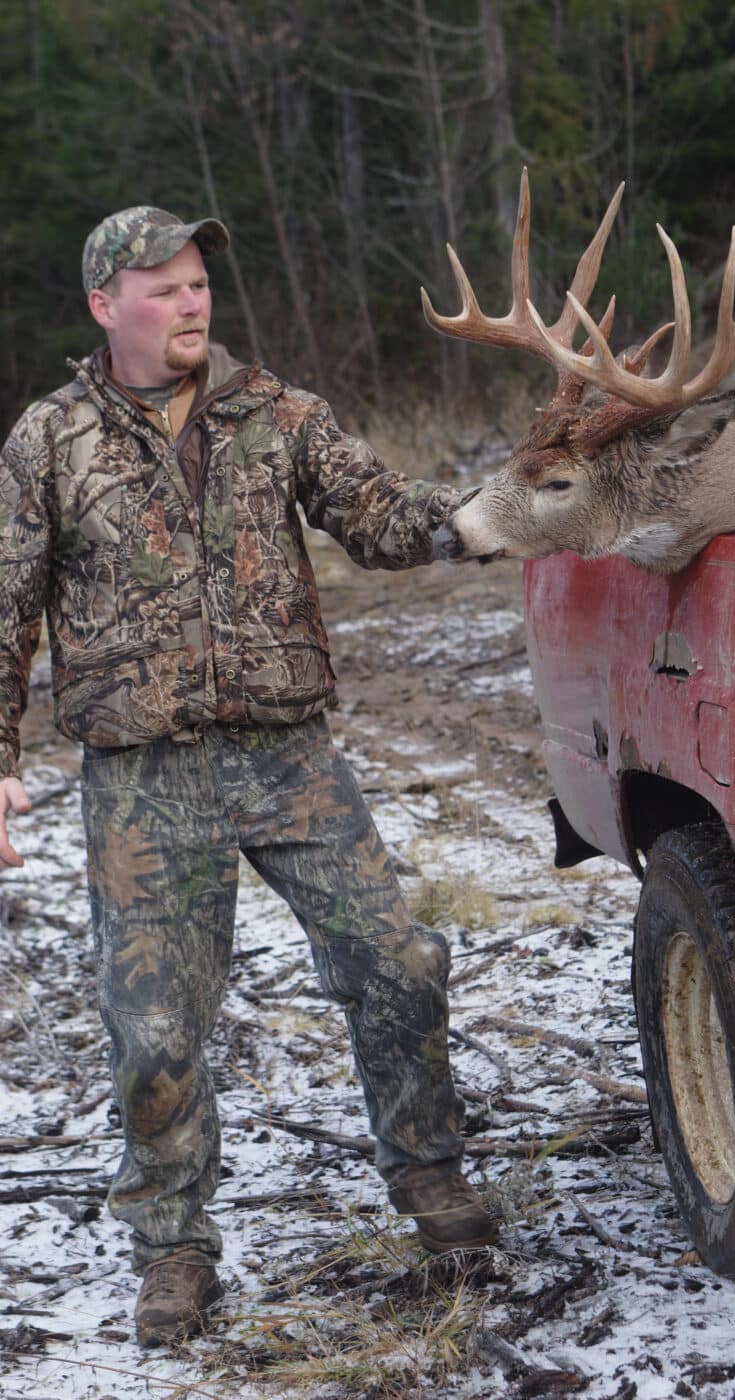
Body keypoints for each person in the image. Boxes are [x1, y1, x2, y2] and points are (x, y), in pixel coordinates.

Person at [0, 207, 498, 1348]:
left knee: (402, 957)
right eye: (165, 286)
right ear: (103, 306)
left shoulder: (281, 416)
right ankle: (174, 1248)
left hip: (287, 755)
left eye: (197, 284)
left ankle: (429, 1175)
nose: (191, 302)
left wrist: (485, 514)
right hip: (142, 776)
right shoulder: (50, 439)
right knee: (156, 1031)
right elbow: (7, 606)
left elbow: (377, 516)